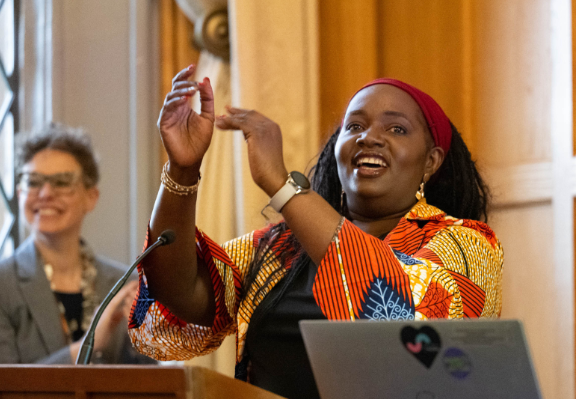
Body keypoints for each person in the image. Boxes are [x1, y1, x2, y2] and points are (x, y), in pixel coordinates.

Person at [128, 65, 503, 398]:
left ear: (431, 162)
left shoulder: (465, 243)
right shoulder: (280, 247)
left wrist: (281, 185)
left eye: (397, 129)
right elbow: (182, 295)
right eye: (354, 126)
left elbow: (401, 312)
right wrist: (182, 170)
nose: (369, 137)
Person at [0, 123, 155, 365]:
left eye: (62, 182)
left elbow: (146, 384)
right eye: (33, 182)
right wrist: (86, 347)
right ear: (20, 194)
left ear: (91, 197)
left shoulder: (125, 284)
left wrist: (148, 339)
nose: (46, 193)